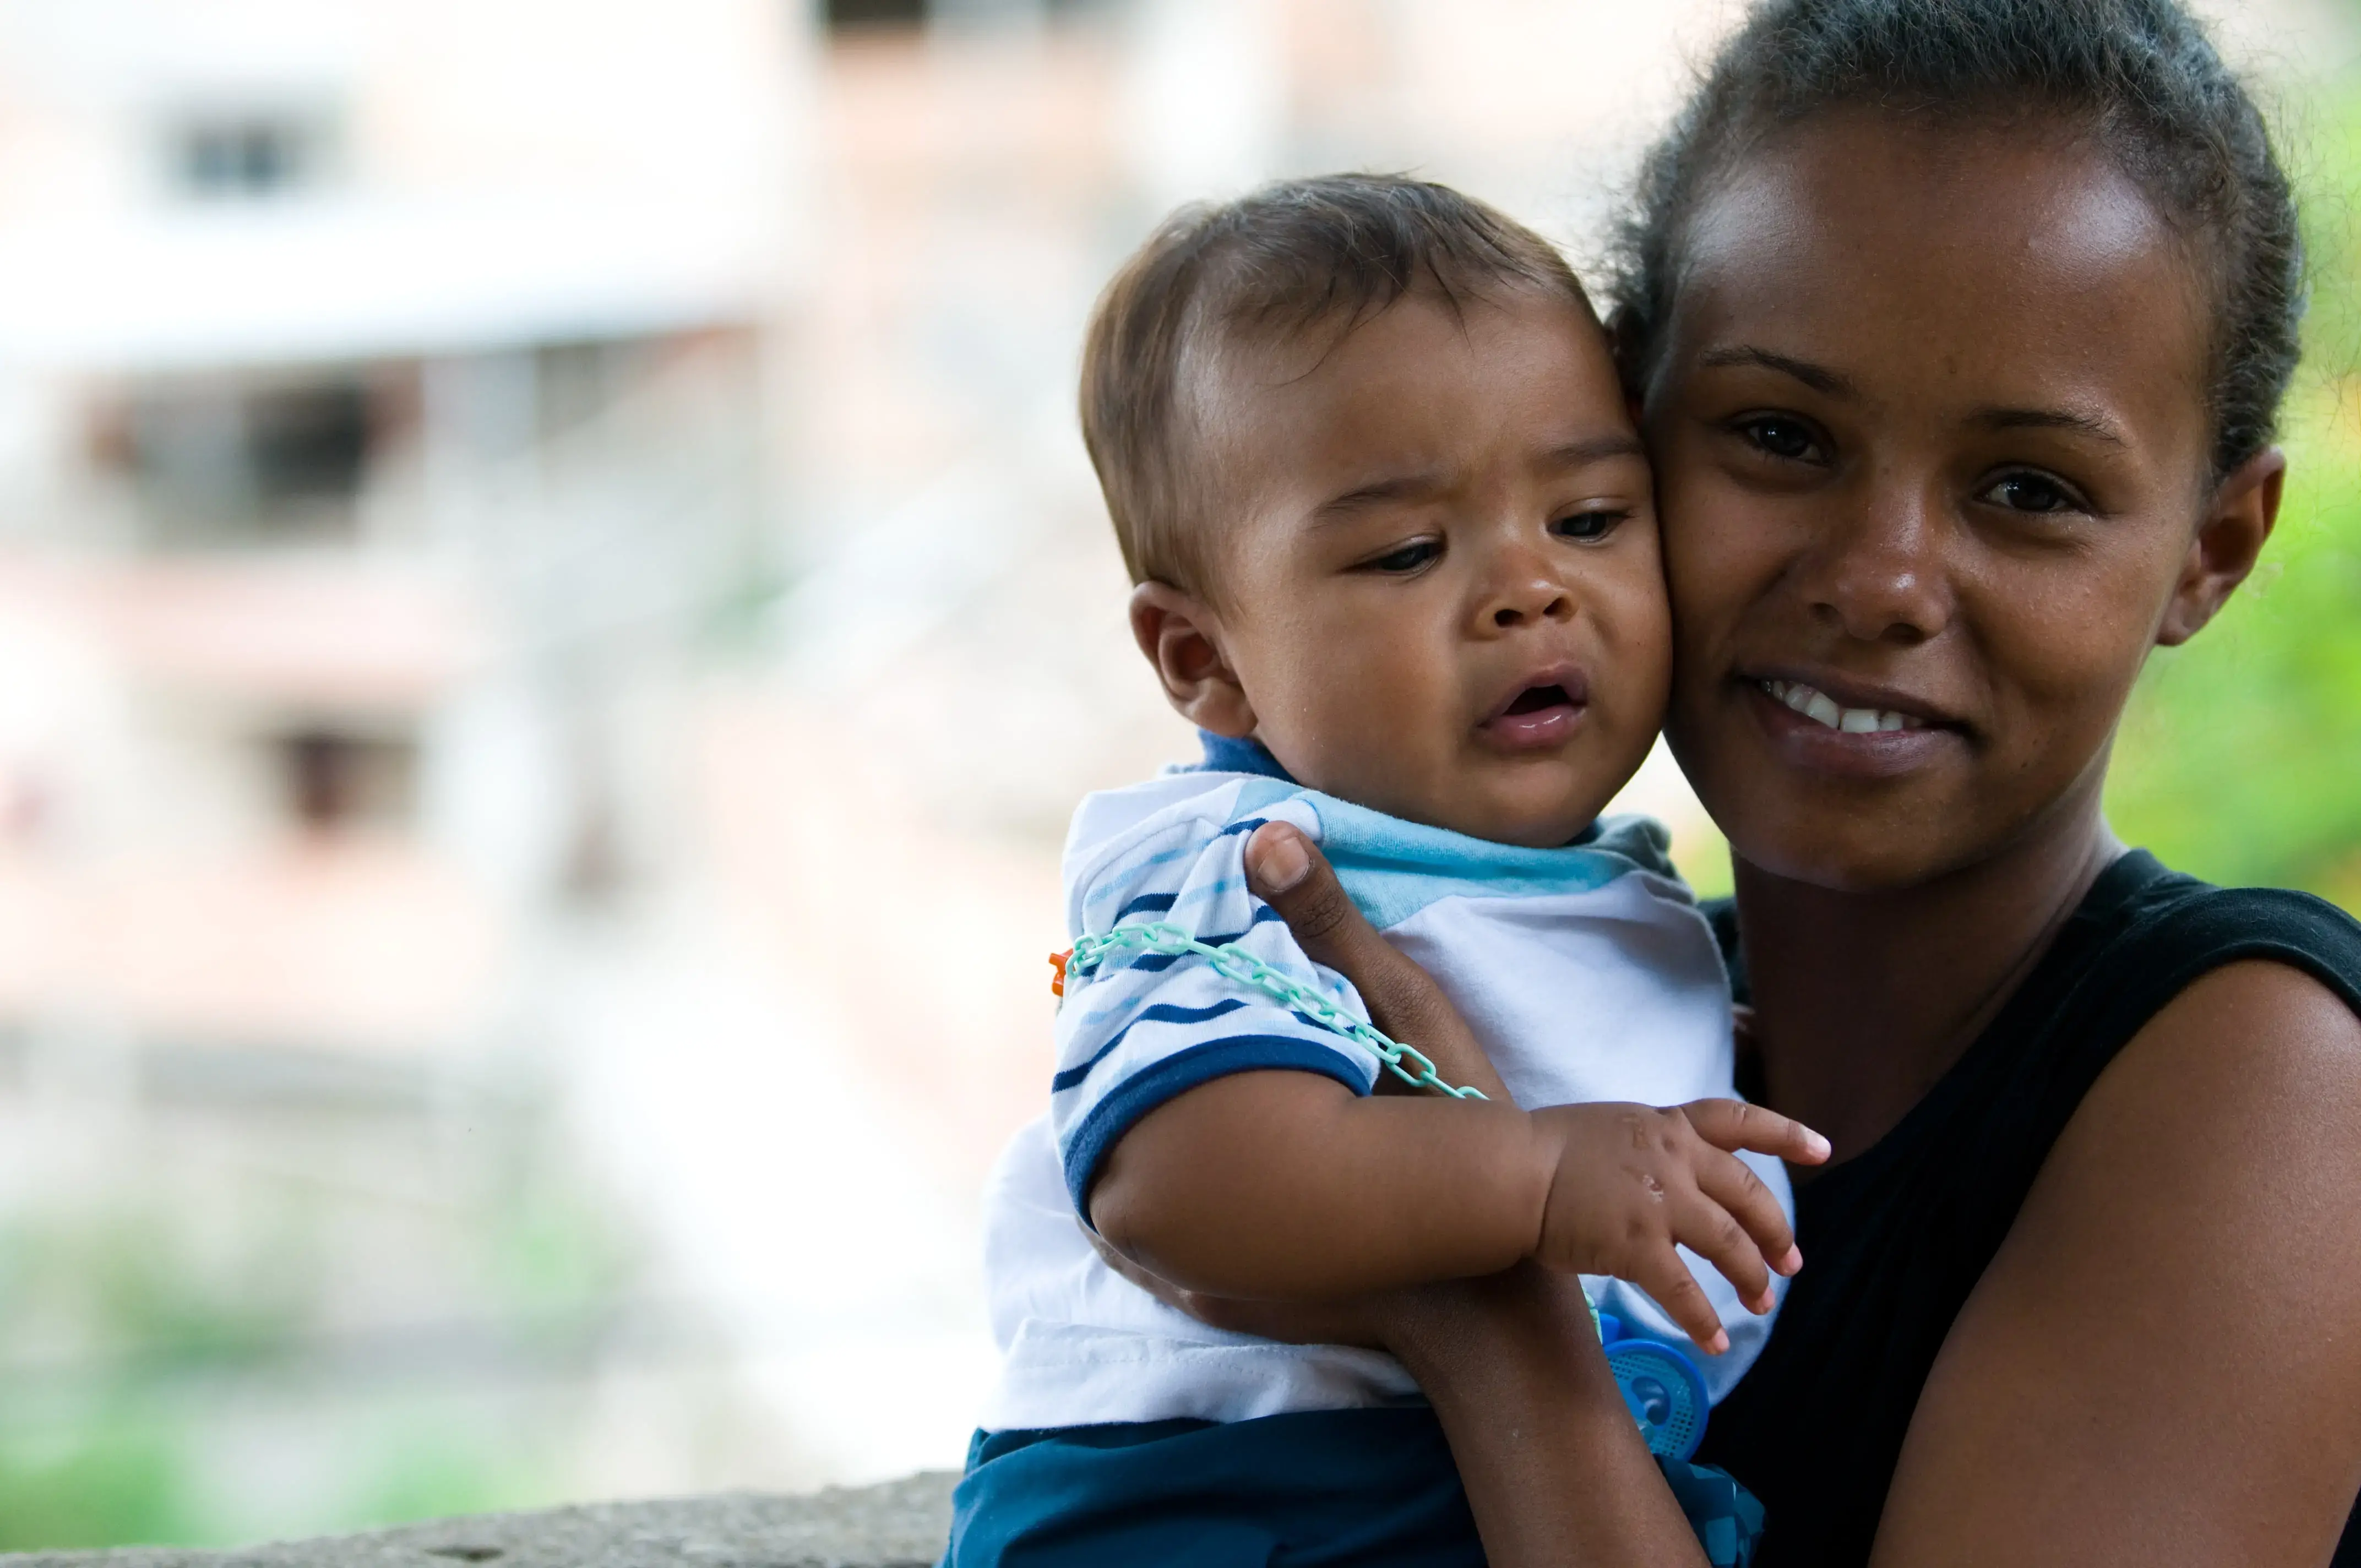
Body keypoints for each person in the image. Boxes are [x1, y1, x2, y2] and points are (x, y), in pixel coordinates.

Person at [1124, 1, 2361, 1564]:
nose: (1881, 578)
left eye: (2030, 489)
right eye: (1778, 434)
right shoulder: (1595, 1006)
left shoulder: (2267, 1080)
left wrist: (1476, 1286)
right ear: (1621, 431)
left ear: (2212, 550)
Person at [944, 175, 1829, 1568]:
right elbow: (1177, 1181)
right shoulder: (1237, 870)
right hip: (1216, 1502)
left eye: (1591, 518)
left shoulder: (1601, 887)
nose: (1526, 588)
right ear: (1203, 658)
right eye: (1409, 549)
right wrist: (1535, 1168)